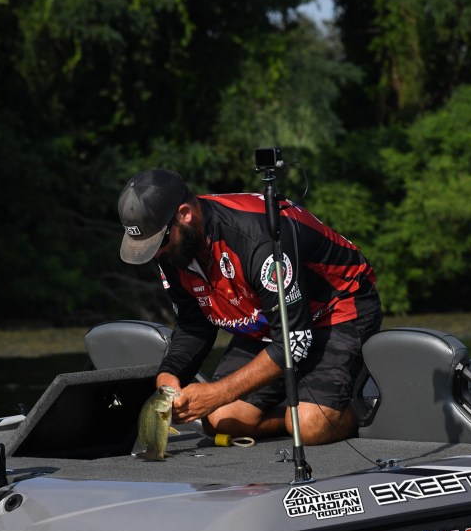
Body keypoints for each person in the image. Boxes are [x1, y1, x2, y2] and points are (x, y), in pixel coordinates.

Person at [118, 168, 381, 445]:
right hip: (265, 319)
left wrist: (218, 392)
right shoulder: (174, 246)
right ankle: (294, 413)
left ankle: (352, 410)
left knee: (310, 427)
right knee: (220, 419)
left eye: (158, 242)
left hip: (337, 309)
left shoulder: (257, 239)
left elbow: (294, 341)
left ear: (184, 214)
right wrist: (169, 375)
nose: (157, 253)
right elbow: (194, 323)